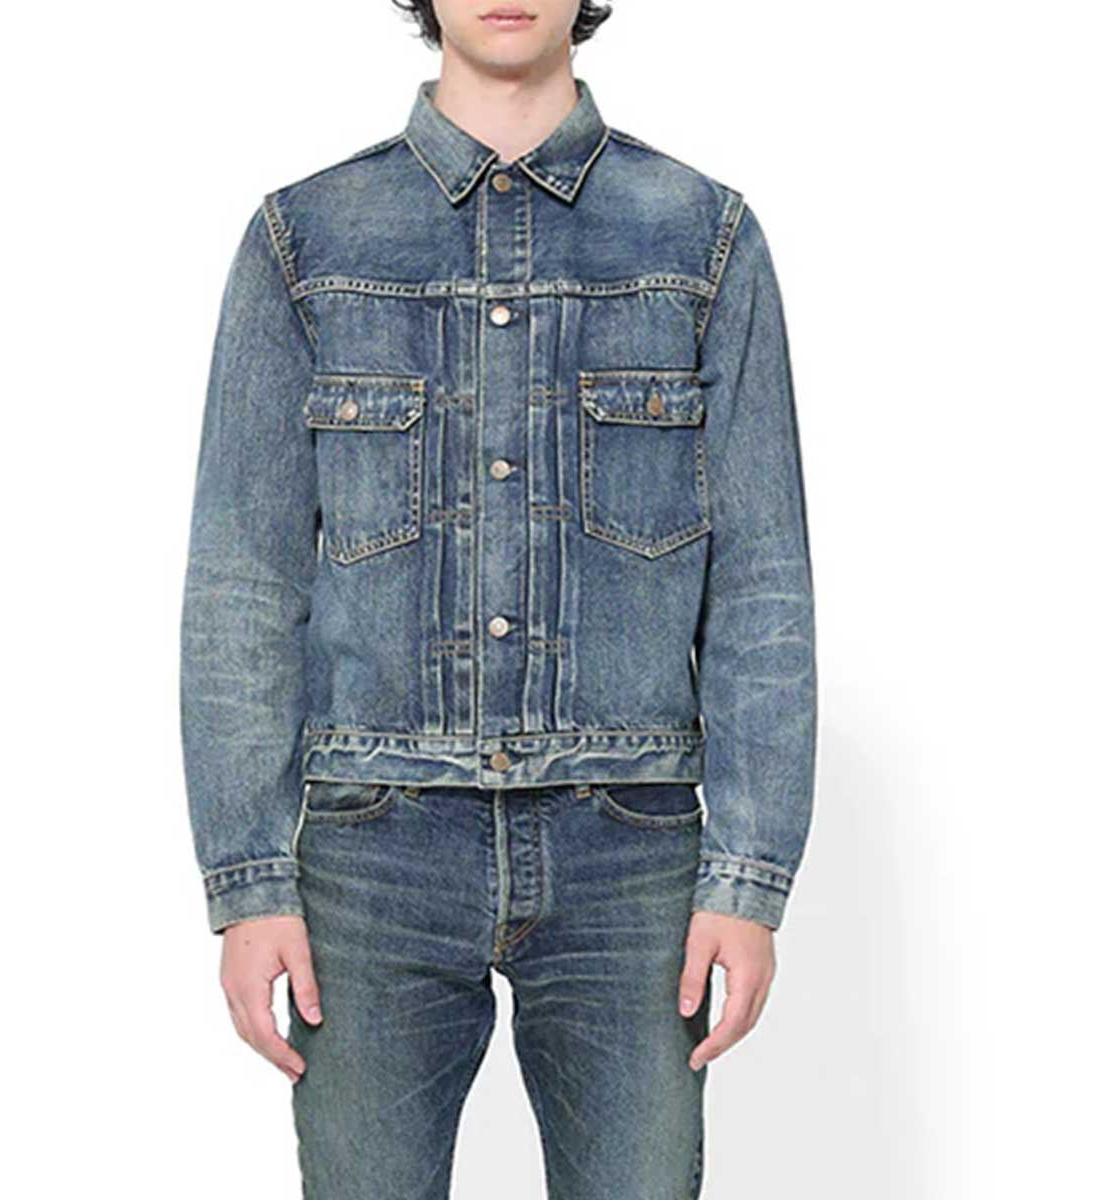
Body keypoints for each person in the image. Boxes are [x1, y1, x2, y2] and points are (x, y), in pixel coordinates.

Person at [179, 1, 817, 1195]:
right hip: (373, 846)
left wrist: (749, 878)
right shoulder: (304, 241)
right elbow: (243, 583)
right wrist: (248, 882)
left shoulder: (702, 238)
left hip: (630, 848)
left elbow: (762, 580)